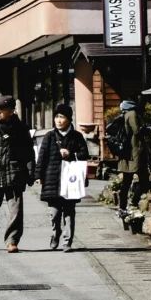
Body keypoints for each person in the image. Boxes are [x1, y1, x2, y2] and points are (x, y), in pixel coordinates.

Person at [0, 91, 36, 252]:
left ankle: (12, 240)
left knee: (15, 211)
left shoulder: (21, 128)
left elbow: (29, 152)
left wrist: (31, 174)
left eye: (2, 109)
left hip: (15, 174)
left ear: (11, 110)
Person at [35, 106, 89, 249]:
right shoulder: (49, 136)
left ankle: (67, 241)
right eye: (56, 117)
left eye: (62, 117)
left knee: (69, 212)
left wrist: (70, 153)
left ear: (69, 119)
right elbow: (42, 157)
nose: (58, 120)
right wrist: (38, 175)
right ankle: (56, 233)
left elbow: (85, 155)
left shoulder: (77, 136)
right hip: (52, 178)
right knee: (54, 213)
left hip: (71, 180)